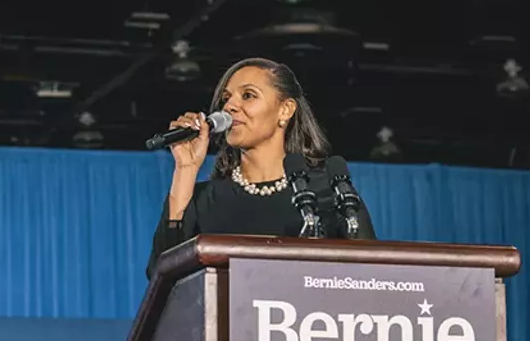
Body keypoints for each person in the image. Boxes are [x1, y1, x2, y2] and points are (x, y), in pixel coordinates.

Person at [147, 57, 374, 278]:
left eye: (248, 95)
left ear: (285, 110)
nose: (229, 107)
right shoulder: (205, 199)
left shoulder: (329, 193)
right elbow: (162, 274)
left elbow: (371, 277)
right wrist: (185, 169)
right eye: (226, 99)